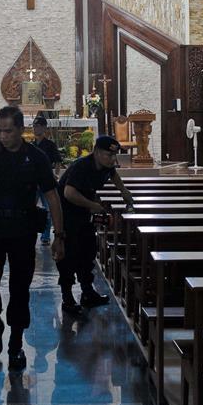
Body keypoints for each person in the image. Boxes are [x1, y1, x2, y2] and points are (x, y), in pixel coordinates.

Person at [0, 106, 65, 371]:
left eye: (8, 131)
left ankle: (16, 342)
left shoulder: (36, 157)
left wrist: (59, 236)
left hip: (22, 230)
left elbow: (52, 196)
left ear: (20, 129)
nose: (3, 136)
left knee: (19, 288)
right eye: (0, 131)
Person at [56, 135, 135, 315]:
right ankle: (67, 298)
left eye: (115, 155)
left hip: (84, 212)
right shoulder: (81, 167)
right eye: (109, 155)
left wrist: (124, 191)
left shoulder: (106, 165)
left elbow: (113, 174)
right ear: (97, 152)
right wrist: (93, 206)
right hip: (67, 214)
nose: (113, 159)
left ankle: (88, 292)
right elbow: (69, 193)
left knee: (87, 251)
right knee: (69, 255)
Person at [32, 115, 62, 245]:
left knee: (48, 209)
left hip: (46, 181)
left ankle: (45, 236)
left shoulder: (50, 145)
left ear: (44, 128)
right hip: (33, 181)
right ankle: (30, 232)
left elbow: (58, 161)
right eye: (34, 126)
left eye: (38, 126)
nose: (35, 129)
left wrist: (56, 174)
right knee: (29, 208)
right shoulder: (32, 145)